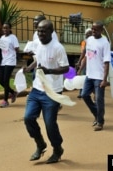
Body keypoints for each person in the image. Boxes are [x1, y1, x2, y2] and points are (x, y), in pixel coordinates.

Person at [23, 20, 69, 163]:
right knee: (28, 118)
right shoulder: (37, 44)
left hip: (52, 92)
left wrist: (49, 71)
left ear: (51, 32)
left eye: (43, 31)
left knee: (50, 123)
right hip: (37, 89)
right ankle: (40, 144)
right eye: (38, 30)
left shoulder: (58, 48)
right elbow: (38, 60)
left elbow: (66, 68)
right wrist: (29, 68)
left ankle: (57, 148)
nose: (40, 33)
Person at [80, 21, 111, 131]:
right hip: (89, 74)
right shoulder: (89, 40)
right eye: (92, 29)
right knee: (84, 95)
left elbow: (107, 62)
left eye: (96, 29)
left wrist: (104, 79)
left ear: (101, 30)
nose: (93, 31)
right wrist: (80, 68)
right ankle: (97, 115)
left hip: (99, 76)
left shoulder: (105, 43)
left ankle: (100, 122)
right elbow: (86, 56)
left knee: (99, 99)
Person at [0, 22, 19, 108]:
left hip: (10, 61)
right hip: (4, 61)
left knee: (6, 80)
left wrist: (14, 49)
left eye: (7, 28)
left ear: (10, 29)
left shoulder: (13, 37)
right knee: (1, 81)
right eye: (3, 28)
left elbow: (17, 48)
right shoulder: (2, 37)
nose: (5, 30)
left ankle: (5, 100)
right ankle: (13, 92)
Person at [75, 27, 92, 98]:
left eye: (88, 34)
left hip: (91, 63)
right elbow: (83, 52)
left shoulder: (92, 42)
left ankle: (89, 93)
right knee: (83, 77)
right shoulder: (85, 42)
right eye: (86, 34)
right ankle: (81, 92)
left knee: (90, 78)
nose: (87, 35)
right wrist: (79, 62)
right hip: (85, 61)